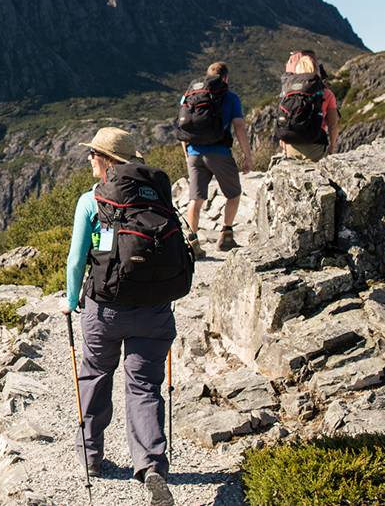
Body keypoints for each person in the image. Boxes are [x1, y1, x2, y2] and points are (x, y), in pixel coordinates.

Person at [64, 127, 183, 506]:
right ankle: (150, 465)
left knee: (96, 374)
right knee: (145, 386)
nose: (89, 159)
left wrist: (70, 300)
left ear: (106, 161)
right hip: (154, 308)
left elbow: (75, 258)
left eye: (93, 154)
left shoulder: (90, 201)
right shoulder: (158, 196)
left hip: (105, 308)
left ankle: (91, 456)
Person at [176, 62, 250, 255]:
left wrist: (187, 154)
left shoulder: (189, 95)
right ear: (225, 78)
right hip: (219, 153)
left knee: (196, 198)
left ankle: (192, 241)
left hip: (193, 153)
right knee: (233, 194)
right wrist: (247, 155)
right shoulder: (230, 97)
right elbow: (239, 126)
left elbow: (185, 127)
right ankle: (226, 235)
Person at [276, 50, 340, 161]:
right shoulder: (326, 93)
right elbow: (333, 126)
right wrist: (331, 148)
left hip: (290, 147)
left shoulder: (288, 90)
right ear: (316, 70)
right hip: (316, 148)